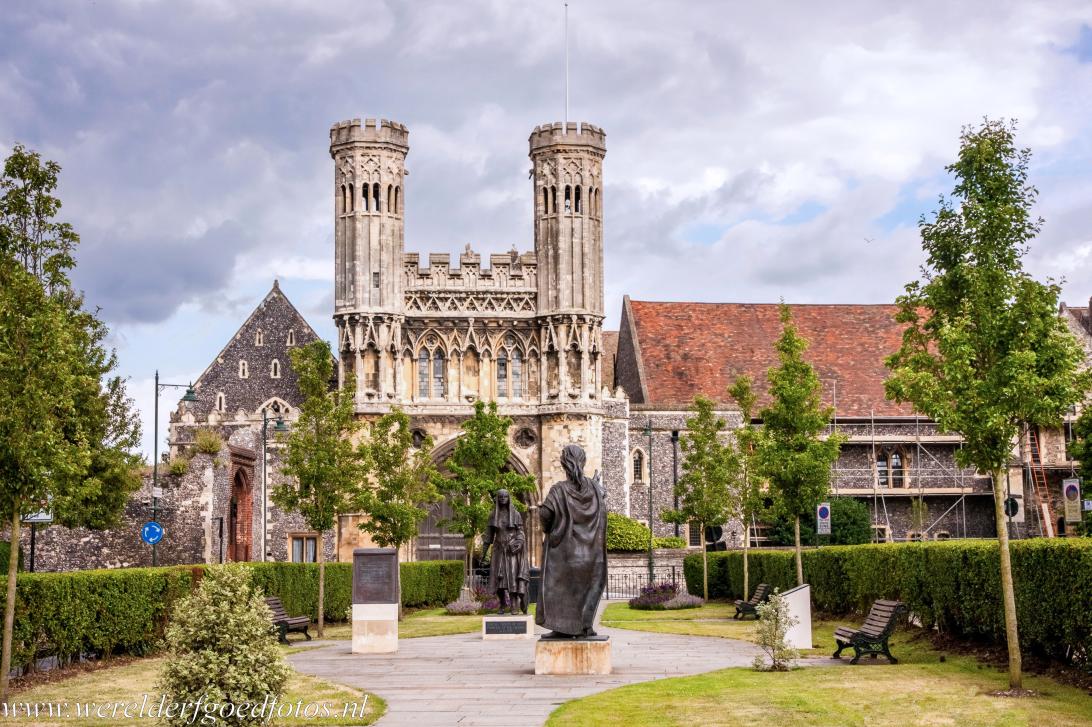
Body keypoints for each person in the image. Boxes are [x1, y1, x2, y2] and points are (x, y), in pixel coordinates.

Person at [535, 444, 607, 638]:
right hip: (591, 554)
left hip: (565, 553)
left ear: (564, 464)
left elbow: (545, 514)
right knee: (587, 590)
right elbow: (602, 501)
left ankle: (561, 628)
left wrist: (548, 528)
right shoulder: (594, 488)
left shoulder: (558, 490)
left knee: (560, 591)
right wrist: (597, 486)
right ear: (582, 461)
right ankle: (585, 627)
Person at [481, 489, 530, 614]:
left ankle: (514, 604)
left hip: (511, 550)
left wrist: (518, 542)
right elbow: (488, 536)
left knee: (512, 578)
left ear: (509, 498)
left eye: (505, 496)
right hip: (498, 550)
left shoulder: (516, 514)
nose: (503, 498)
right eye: (500, 497)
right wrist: (483, 554)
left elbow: (521, 531)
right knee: (498, 579)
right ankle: (502, 604)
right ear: (497, 499)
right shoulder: (493, 515)